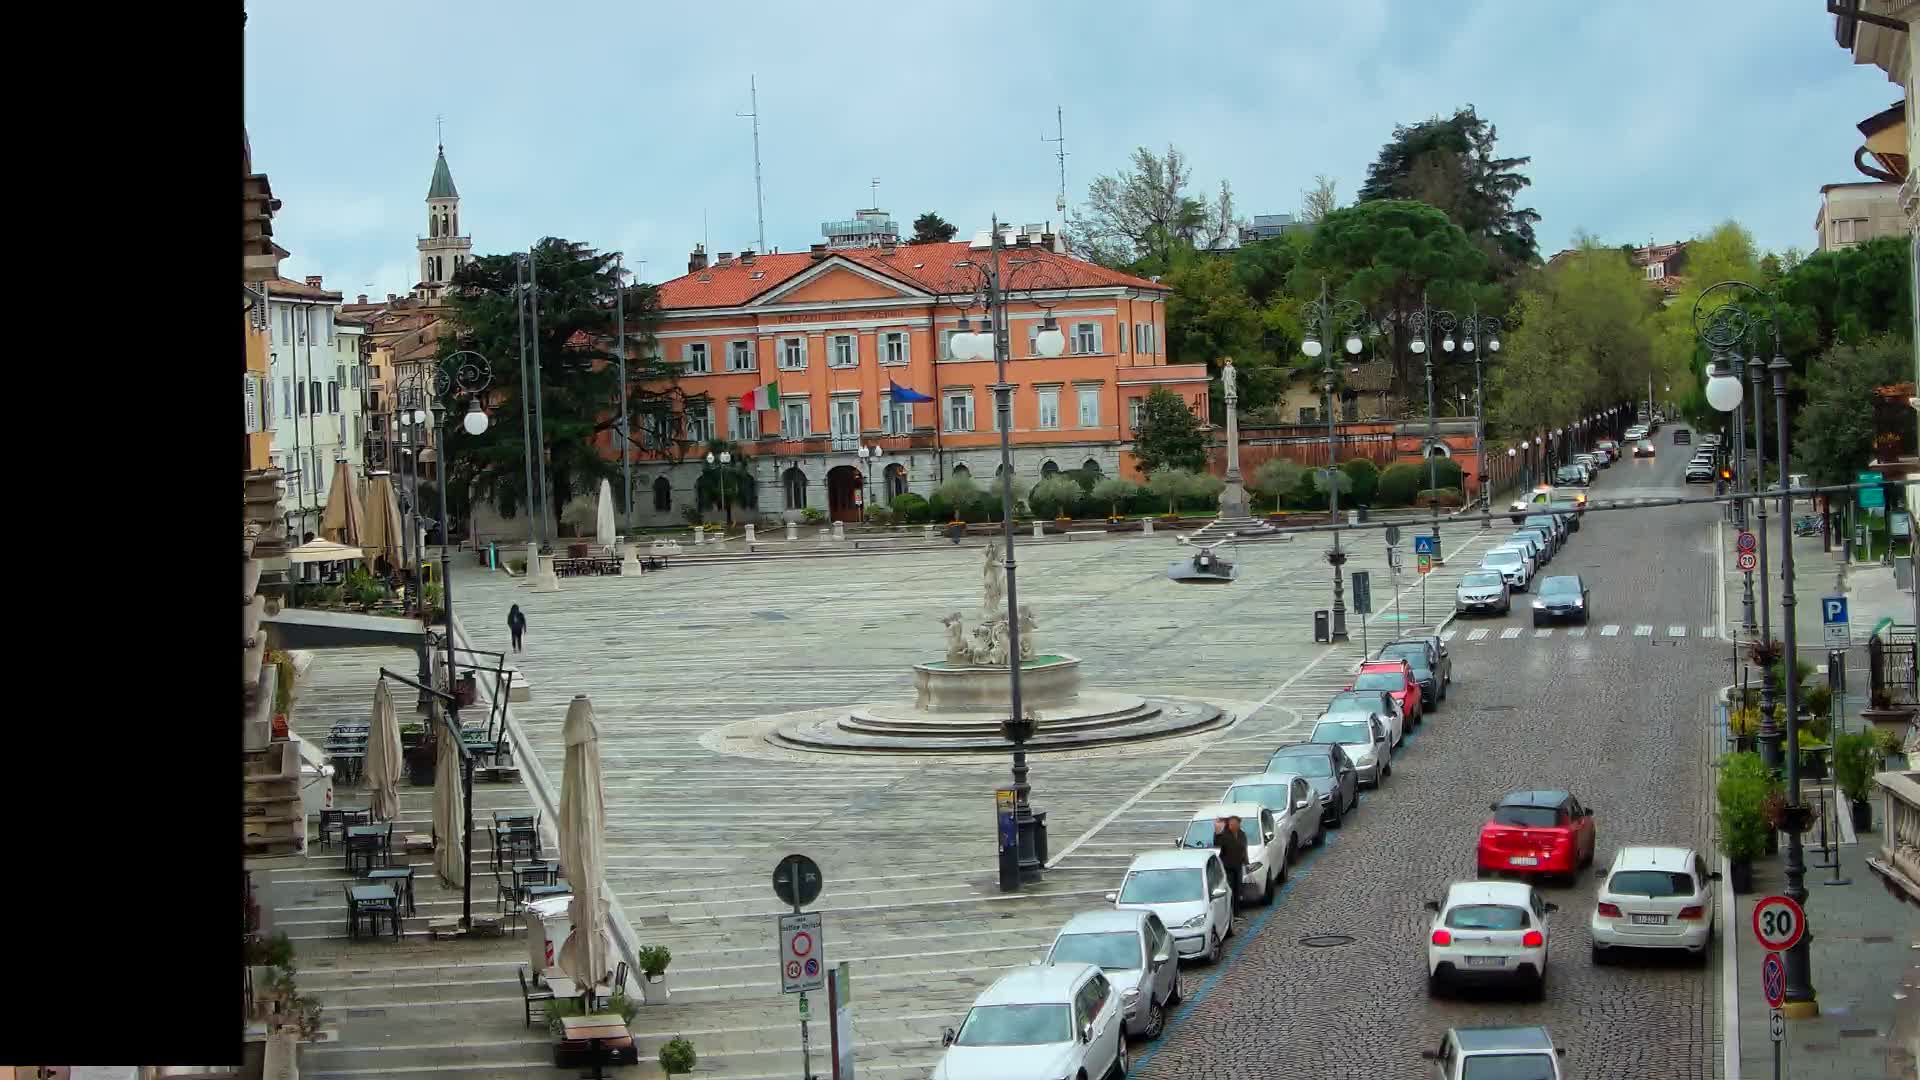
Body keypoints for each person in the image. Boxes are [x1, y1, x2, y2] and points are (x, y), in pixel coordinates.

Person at [1213, 816, 1249, 910]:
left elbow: (1244, 849)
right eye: (1232, 824)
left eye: (1236, 824)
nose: (1233, 826)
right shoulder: (1224, 835)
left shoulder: (1242, 834)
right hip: (1228, 867)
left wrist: (1246, 862)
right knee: (1230, 889)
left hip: (1238, 866)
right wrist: (1216, 833)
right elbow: (1217, 844)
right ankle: (1230, 911)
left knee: (1238, 889)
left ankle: (1237, 911)